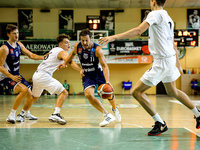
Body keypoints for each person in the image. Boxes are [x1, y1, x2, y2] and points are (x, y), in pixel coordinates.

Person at [99, 0, 200, 136]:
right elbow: (173, 44)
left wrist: (113, 37)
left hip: (162, 62)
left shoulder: (154, 14)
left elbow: (139, 31)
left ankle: (160, 123)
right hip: (169, 60)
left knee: (136, 92)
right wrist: (178, 64)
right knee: (173, 91)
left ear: (153, 1)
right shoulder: (168, 17)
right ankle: (198, 114)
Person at [59, 29, 121, 127]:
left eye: (87, 40)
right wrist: (64, 63)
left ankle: (114, 109)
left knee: (108, 93)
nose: (84, 42)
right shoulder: (77, 46)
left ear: (91, 39)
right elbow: (71, 55)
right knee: (88, 95)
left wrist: (107, 81)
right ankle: (107, 115)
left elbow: (105, 66)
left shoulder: (97, 50)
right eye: (82, 40)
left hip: (98, 73)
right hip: (87, 74)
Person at [23, 34, 80, 125]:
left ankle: (23, 113)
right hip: (44, 76)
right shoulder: (62, 52)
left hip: (37, 75)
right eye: (66, 43)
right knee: (64, 92)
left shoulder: (54, 50)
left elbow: (66, 60)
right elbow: (70, 61)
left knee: (35, 96)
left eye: (69, 43)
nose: (68, 44)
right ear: (60, 44)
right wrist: (80, 70)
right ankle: (56, 114)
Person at [0, 24, 44, 124]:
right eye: (14, 33)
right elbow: (0, 67)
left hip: (16, 74)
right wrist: (11, 76)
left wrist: (42, 57)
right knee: (24, 90)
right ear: (8, 35)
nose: (16, 35)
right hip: (5, 76)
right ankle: (11, 115)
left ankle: (27, 113)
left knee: (30, 94)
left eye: (17, 33)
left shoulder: (19, 45)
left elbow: (31, 55)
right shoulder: (4, 48)